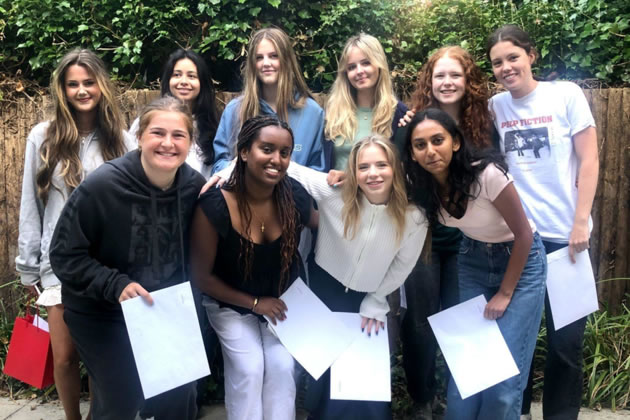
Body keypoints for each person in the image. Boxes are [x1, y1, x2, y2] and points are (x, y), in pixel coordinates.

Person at [49, 96, 205, 420]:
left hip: (160, 311)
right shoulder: (103, 186)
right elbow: (64, 255)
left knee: (181, 396)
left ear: (190, 142)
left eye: (178, 135)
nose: (167, 143)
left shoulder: (194, 187)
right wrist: (114, 283)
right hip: (101, 312)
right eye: (157, 133)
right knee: (121, 396)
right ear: (139, 137)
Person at [402, 108, 546, 420]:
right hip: (473, 260)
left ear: (455, 142)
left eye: (438, 140)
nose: (430, 151)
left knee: (502, 381)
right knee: (468, 372)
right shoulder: (422, 188)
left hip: (521, 262)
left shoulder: (487, 174)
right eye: (420, 144)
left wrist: (505, 293)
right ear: (412, 154)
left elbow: (523, 234)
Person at [487, 24, 599, 420]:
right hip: (518, 241)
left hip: (567, 240)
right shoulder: (495, 107)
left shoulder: (566, 94)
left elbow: (589, 159)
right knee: (516, 341)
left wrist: (581, 222)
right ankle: (515, 413)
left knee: (565, 344)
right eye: (497, 62)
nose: (506, 67)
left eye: (512, 57)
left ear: (531, 55)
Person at [15, 48, 134, 420]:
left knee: (102, 356)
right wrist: (27, 265)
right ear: (62, 89)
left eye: (89, 82)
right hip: (58, 262)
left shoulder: (122, 140)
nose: (82, 90)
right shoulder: (43, 136)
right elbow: (30, 203)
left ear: (102, 86)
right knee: (65, 355)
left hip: (105, 264)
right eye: (73, 84)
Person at [288, 136, 428, 419]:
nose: (373, 173)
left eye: (381, 165)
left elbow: (402, 266)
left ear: (395, 169)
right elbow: (287, 168)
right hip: (325, 291)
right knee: (325, 371)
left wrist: (377, 301)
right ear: (353, 171)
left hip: (367, 297)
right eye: (363, 167)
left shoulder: (414, 217)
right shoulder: (333, 194)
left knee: (360, 379)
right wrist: (224, 172)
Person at [191, 115, 316, 420]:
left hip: (282, 303)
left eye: (284, 152)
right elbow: (201, 277)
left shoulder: (294, 196)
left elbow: (334, 227)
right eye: (267, 149)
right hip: (230, 302)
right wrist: (255, 304)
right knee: (249, 368)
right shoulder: (215, 205)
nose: (276, 159)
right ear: (244, 153)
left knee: (282, 366)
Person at [396, 46, 496, 419]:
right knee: (419, 323)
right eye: (440, 75)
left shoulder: (485, 126)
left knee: (462, 320)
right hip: (422, 240)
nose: (448, 82)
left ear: (467, 80)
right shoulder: (410, 123)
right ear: (429, 81)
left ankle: (460, 401)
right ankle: (423, 399)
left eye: (455, 74)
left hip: (470, 241)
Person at [212, 27, 326, 174]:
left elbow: (319, 172)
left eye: (273, 56)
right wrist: (238, 169)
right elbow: (218, 166)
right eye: (259, 58)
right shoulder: (235, 110)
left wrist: (290, 174)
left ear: (287, 61)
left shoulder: (312, 113)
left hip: (294, 196)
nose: (266, 63)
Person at [129, 48, 219, 179]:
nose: (183, 81)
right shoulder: (146, 121)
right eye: (176, 75)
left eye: (191, 76)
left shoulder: (213, 126)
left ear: (202, 83)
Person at [325, 33, 408, 171]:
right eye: (351, 67)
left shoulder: (399, 114)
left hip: (378, 191)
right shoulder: (333, 112)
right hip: (335, 192)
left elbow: (401, 170)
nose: (359, 71)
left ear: (379, 65)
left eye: (366, 63)